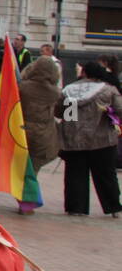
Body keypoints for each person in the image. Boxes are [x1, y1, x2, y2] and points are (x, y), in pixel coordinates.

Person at [55, 62, 122, 217]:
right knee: (106, 175)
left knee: (75, 175)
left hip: (74, 140)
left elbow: (61, 113)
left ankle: (76, 207)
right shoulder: (108, 90)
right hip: (102, 140)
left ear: (83, 73)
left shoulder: (69, 90)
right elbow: (120, 110)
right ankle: (113, 207)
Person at [16, 56, 62, 215]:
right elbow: (67, 111)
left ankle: (26, 199)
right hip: (44, 135)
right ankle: (27, 201)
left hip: (22, 131)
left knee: (23, 167)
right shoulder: (55, 92)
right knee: (33, 168)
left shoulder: (22, 87)